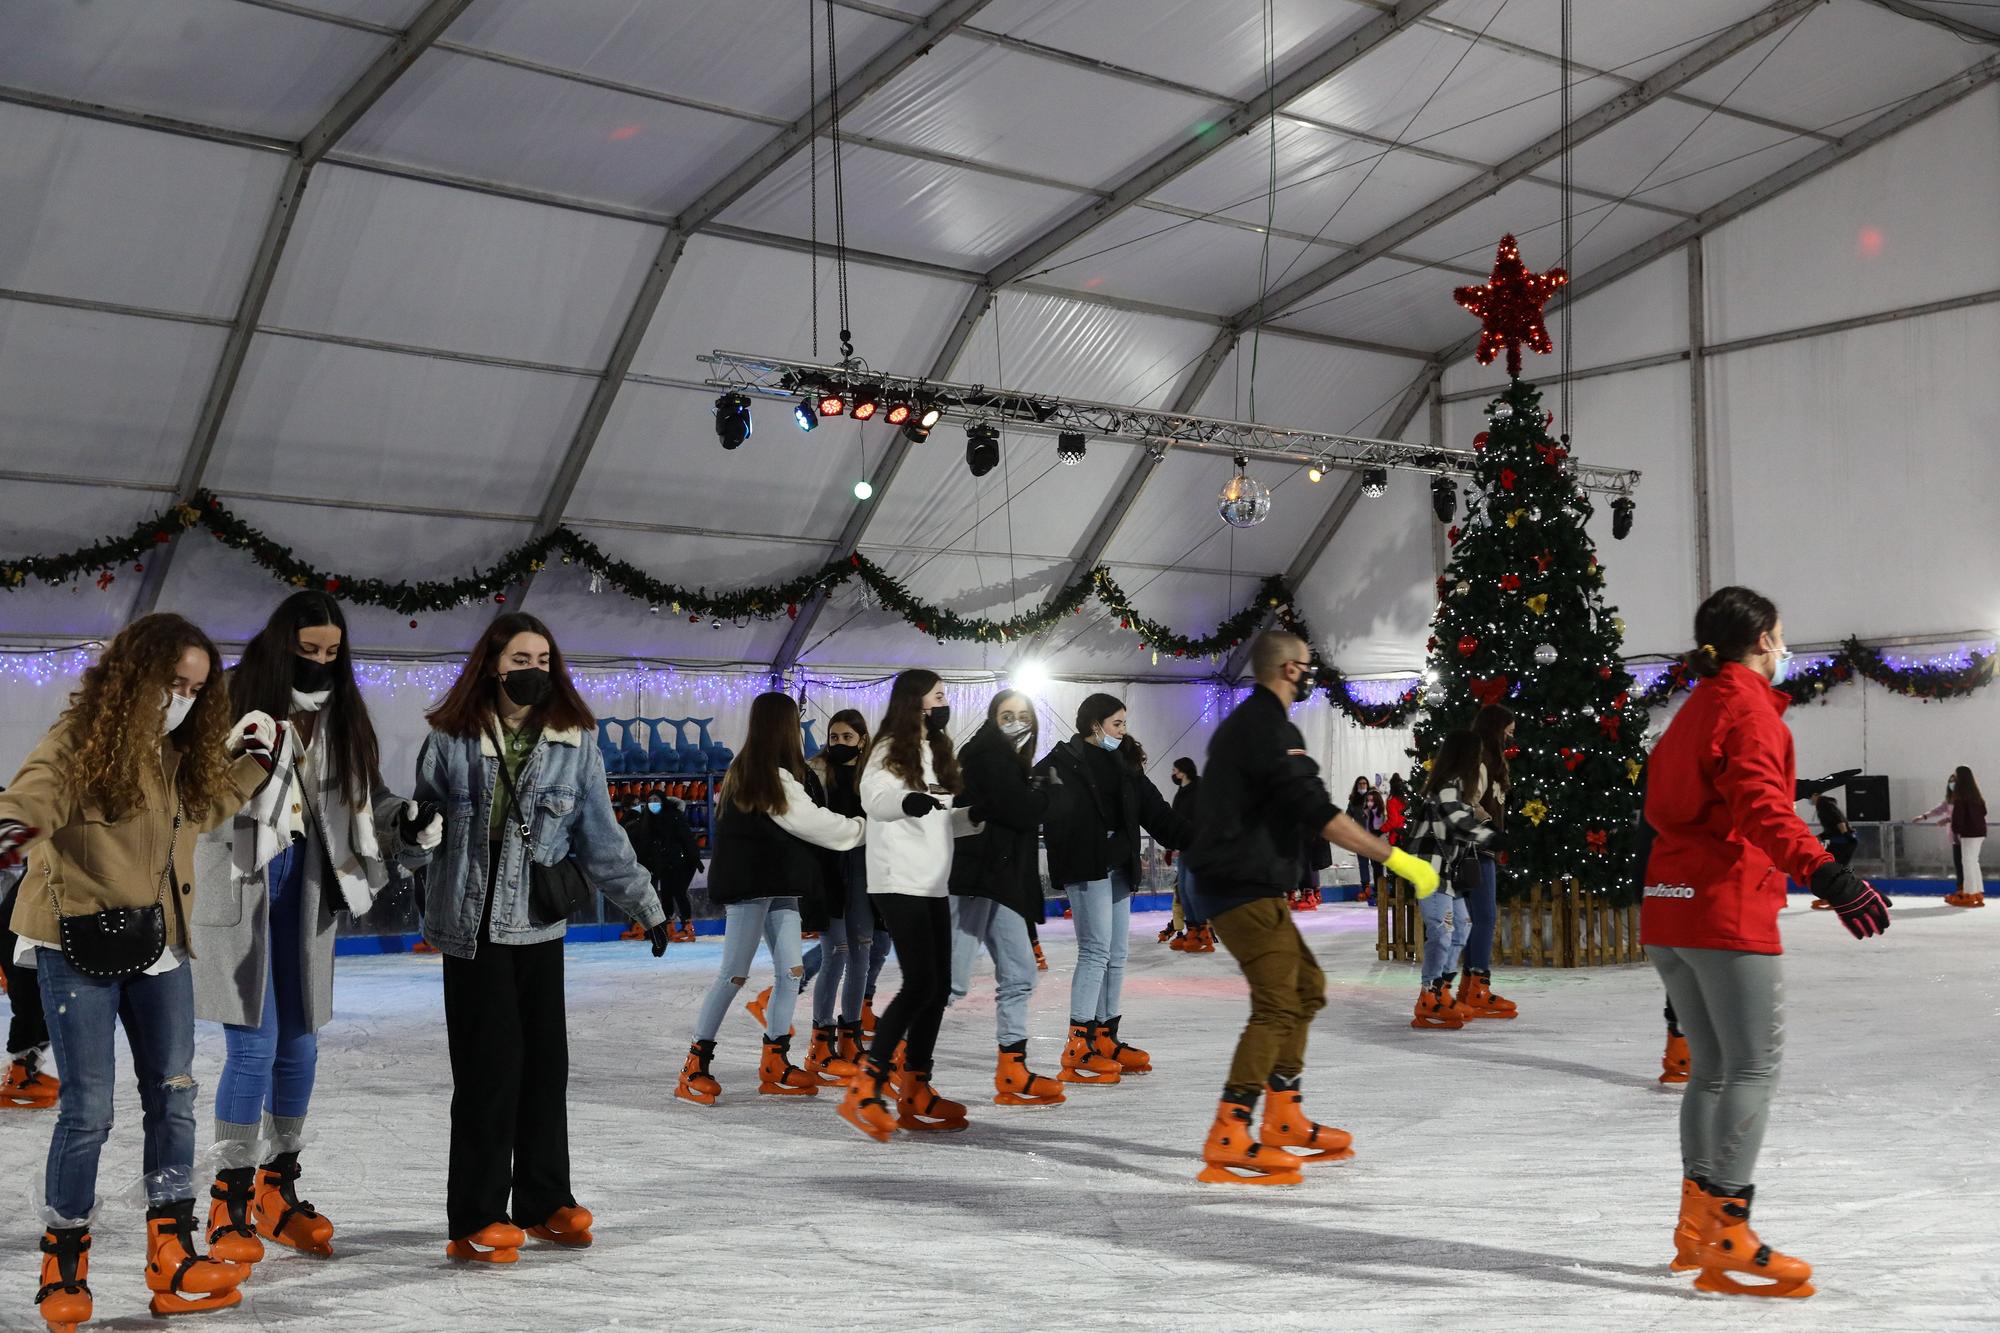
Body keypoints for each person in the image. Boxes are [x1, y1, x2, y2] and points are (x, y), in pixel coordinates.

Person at [0, 614, 272, 1325]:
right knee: (89, 1109)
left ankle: (172, 1249)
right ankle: (64, 1265)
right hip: (76, 943)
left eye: (194, 687)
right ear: (134, 674)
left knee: (174, 1095)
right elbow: (34, 793)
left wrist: (252, 767)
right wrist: (10, 830)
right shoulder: (80, 739)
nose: (181, 697)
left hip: (160, 945)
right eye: (171, 682)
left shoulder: (177, 750)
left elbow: (202, 810)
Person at [1643, 586, 1891, 1299]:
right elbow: (1761, 807)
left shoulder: (1693, 709)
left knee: (1712, 1068)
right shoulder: (1746, 708)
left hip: (1670, 907)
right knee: (1754, 1065)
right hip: (1724, 909)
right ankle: (1728, 1231)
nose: (1785, 649)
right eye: (1780, 637)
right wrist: (1829, 874)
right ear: (1760, 642)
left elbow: (1671, 800)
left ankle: (1696, 1228)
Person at [190, 591, 442, 1271]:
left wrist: (405, 820)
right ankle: (229, 1198)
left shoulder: (340, 718)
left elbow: (367, 795)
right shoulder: (226, 703)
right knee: (255, 1045)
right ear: (282, 645)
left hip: (309, 896)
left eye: (332, 653)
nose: (322, 663)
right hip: (245, 888)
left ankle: (278, 1185)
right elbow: (197, 794)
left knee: (299, 1043)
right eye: (310, 652)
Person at [413, 612, 671, 1265]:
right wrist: (410, 835)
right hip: (472, 924)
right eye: (522, 659)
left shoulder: (574, 740)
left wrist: (646, 903)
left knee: (545, 1066)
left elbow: (601, 835)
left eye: (544, 661)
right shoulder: (451, 737)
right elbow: (419, 841)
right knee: (489, 1070)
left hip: (536, 921)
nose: (535, 671)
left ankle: (542, 1199)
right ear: (493, 663)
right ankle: (475, 1213)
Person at [1184, 630, 1440, 1185]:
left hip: (1242, 882)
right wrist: (1399, 860)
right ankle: (1230, 1129)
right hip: (1239, 887)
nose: (1312, 672)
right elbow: (1318, 813)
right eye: (1307, 665)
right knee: (1278, 1004)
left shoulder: (1249, 726)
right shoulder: (1269, 730)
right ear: (1289, 669)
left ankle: (1283, 1114)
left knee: (1306, 988)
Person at [676, 693, 864, 1106]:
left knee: (791, 973)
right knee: (733, 974)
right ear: (782, 727)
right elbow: (814, 823)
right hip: (752, 889)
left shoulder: (764, 771)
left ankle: (775, 1062)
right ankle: (695, 1065)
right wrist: (861, 828)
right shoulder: (766, 775)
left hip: (780, 887)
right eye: (794, 724)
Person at [836, 671, 980, 1141]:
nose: (945, 702)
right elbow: (874, 799)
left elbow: (938, 818)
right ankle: (867, 1084)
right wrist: (906, 800)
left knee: (938, 987)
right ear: (915, 700)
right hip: (897, 880)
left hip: (933, 882)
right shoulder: (888, 747)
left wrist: (971, 818)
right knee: (920, 983)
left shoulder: (937, 749)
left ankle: (915, 1085)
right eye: (939, 695)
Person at [1035, 694, 1178, 1082]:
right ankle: (1078, 1043)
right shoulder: (1061, 762)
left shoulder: (1124, 763)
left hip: (1118, 864)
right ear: (1095, 725)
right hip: (1086, 864)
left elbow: (1155, 810)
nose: (1123, 731)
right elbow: (1030, 802)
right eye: (1117, 723)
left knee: (1117, 952)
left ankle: (1105, 1036)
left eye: (1124, 723)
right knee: (1096, 950)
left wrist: (1190, 836)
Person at [947, 689, 1063, 1107]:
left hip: (1002, 881)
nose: (1015, 721)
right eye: (1006, 715)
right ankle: (896, 1062)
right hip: (975, 879)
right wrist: (1045, 796)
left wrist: (1034, 792)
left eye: (1022, 715)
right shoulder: (984, 753)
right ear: (992, 719)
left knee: (1020, 974)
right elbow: (1016, 809)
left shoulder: (1011, 761)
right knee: (950, 982)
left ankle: (1012, 1068)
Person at [1404, 732, 1503, 1029]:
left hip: (1448, 871)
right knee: (1443, 930)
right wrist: (1491, 837)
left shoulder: (1459, 786)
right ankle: (1429, 994)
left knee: (1462, 927)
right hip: (1430, 869)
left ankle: (1442, 990)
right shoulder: (1448, 785)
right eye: (1477, 754)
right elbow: (1457, 819)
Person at [803, 710, 874, 1073]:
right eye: (835, 737)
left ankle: (851, 1034)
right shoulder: (815, 771)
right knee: (836, 952)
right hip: (829, 870)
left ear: (862, 739)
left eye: (848, 737)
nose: (840, 743)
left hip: (864, 867)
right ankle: (821, 1037)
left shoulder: (873, 773)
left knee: (863, 949)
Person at [1460, 704, 1517, 1018]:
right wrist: (1491, 830)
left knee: (1478, 918)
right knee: (1484, 917)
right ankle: (1478, 986)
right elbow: (1468, 801)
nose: (1510, 736)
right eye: (1507, 730)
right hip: (1477, 849)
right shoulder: (1481, 762)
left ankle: (1470, 986)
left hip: (1480, 849)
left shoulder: (1487, 761)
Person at [1, 828, 57, 1110]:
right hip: (15, 936)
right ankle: (18, 1074)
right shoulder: (32, 877)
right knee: (29, 1006)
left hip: (24, 934)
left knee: (43, 1007)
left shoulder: (35, 873)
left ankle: (27, 1070)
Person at [627, 789, 703, 941]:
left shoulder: (674, 817)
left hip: (681, 861)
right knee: (666, 893)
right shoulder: (647, 821)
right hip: (663, 863)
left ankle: (688, 927)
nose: (653, 803)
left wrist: (695, 859)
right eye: (650, 801)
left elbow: (687, 839)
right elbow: (642, 840)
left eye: (656, 800)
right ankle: (669, 926)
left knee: (679, 892)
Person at [1921, 768, 1987, 908]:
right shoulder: (1976, 796)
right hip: (1979, 832)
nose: (1953, 781)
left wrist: (1956, 829)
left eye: (1956, 777)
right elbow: (1983, 812)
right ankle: (1977, 892)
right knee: (1973, 862)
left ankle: (1968, 894)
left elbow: (1959, 817)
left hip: (1968, 834)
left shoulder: (1961, 798)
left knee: (1967, 863)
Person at [1167, 758, 1214, 952]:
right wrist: (1170, 847)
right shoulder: (1181, 794)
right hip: (1185, 847)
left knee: (1193, 890)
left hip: (1200, 847)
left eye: (1174, 770)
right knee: (1184, 891)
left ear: (1183, 771)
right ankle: (1192, 930)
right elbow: (1175, 821)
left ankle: (1203, 931)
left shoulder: (1201, 789)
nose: (1173, 774)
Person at [1806, 792, 1856, 911]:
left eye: (1809, 796)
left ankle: (1838, 897)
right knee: (1835, 868)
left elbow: (1838, 818)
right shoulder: (1825, 804)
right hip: (1840, 841)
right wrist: (1818, 838)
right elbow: (1832, 827)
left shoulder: (1824, 803)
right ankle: (1833, 896)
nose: (1809, 800)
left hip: (1842, 841)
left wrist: (1845, 834)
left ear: (1815, 795)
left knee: (1832, 869)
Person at [1345, 778, 1379, 899]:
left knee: (1376, 863)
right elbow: (1347, 817)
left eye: (1364, 783)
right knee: (1363, 863)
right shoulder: (1353, 800)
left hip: (1373, 836)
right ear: (1357, 785)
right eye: (1360, 783)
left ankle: (1379, 888)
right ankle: (1366, 888)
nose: (1362, 785)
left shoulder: (1373, 798)